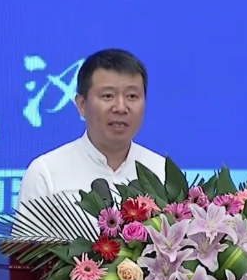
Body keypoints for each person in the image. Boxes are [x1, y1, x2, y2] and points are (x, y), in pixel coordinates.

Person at [17, 48, 166, 211]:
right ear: (82, 105)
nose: (121, 108)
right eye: (108, 96)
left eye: (132, 96)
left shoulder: (163, 174)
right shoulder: (46, 173)